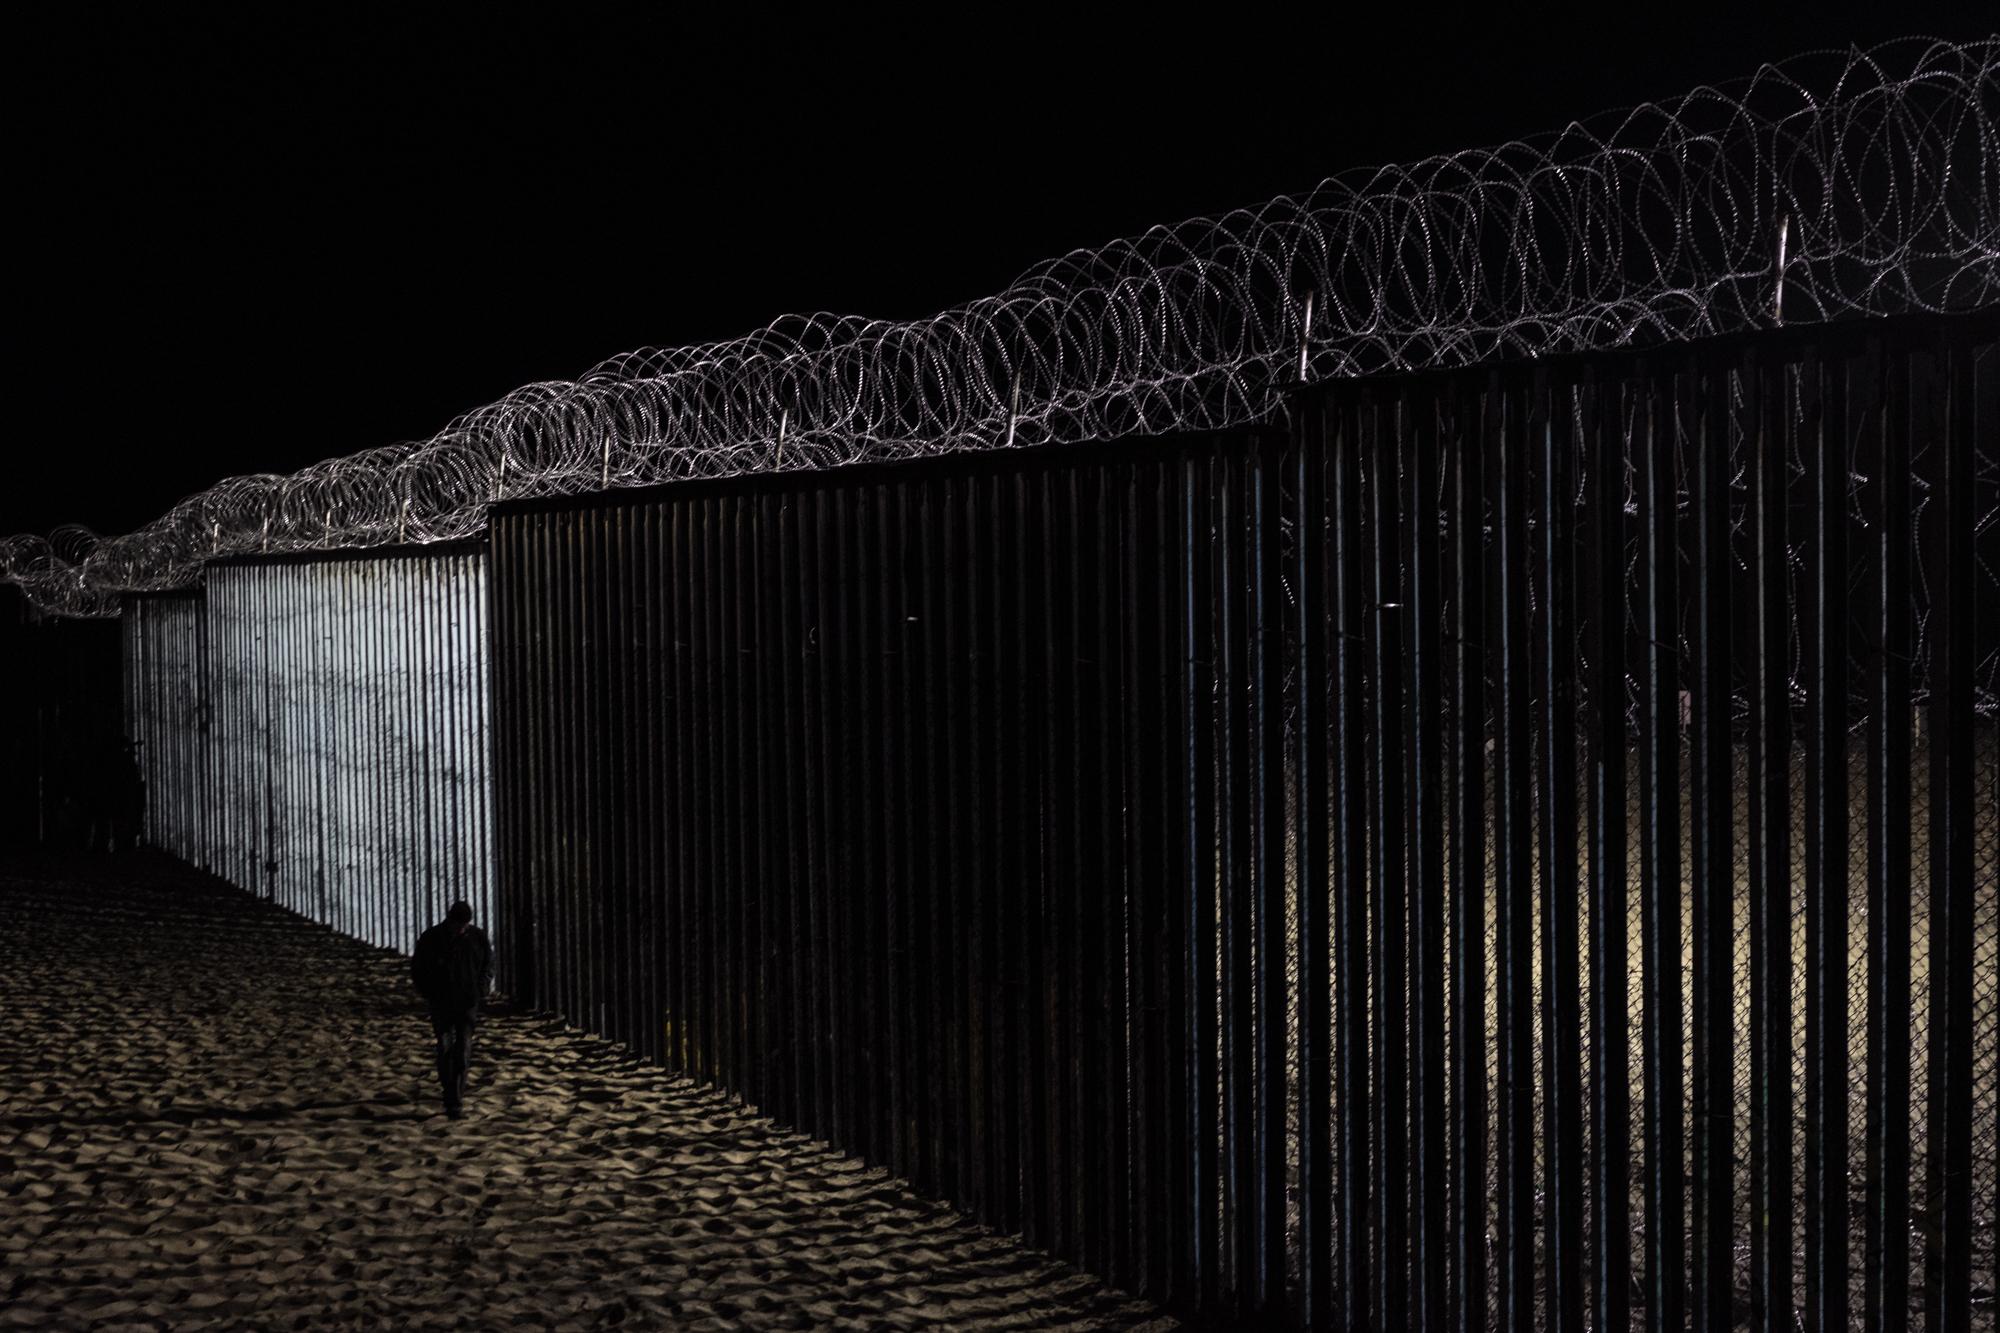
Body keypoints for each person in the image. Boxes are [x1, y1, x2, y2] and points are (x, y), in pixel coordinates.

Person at [411, 900, 493, 1119]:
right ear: (450, 920)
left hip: (467, 1002)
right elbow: (417, 968)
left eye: (465, 925)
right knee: (445, 1047)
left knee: (463, 1049)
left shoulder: (477, 937)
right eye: (459, 925)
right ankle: (450, 1096)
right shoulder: (432, 938)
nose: (462, 929)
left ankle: (456, 1098)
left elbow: (488, 964)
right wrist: (429, 992)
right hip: (442, 1002)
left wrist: (481, 989)